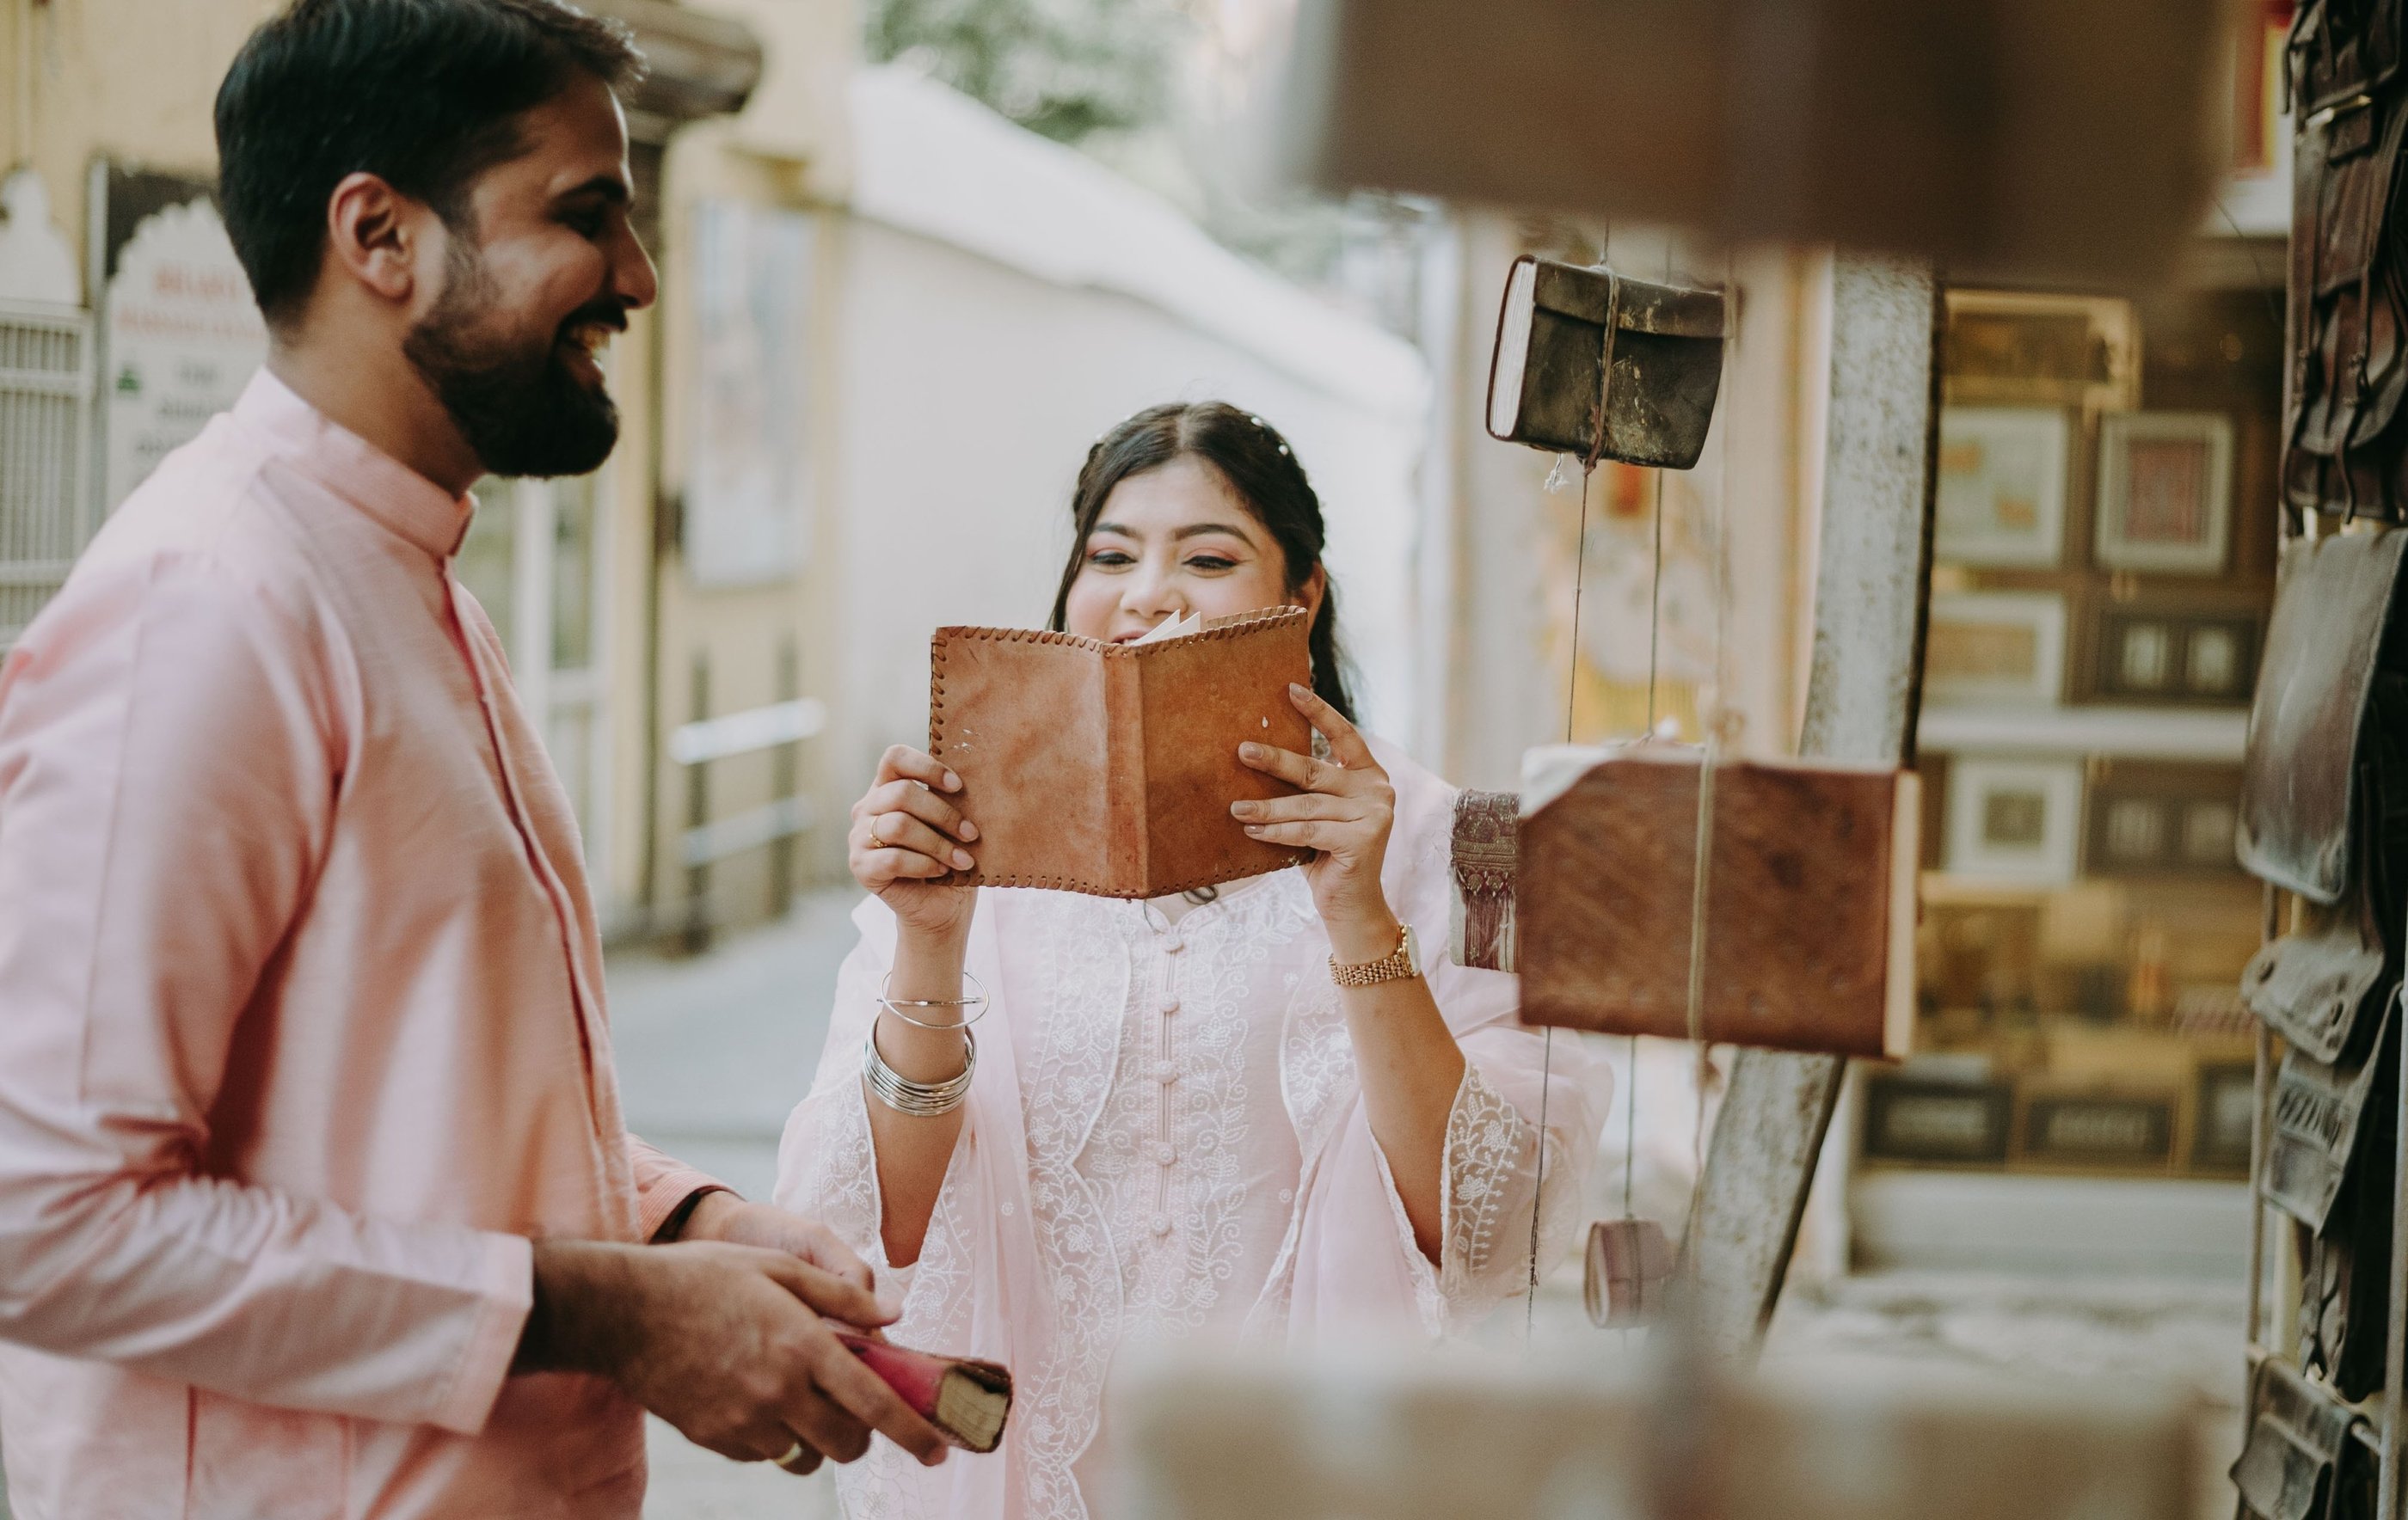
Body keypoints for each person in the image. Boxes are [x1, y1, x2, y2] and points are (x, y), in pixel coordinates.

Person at [0, 3, 948, 1515]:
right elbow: (47, 1224)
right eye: (588, 216)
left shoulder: (411, 583)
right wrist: (606, 1311)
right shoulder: (212, 607)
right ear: (380, 234)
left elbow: (412, 1104)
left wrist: (677, 1226)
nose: (638, 278)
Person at [777, 402, 1610, 1519]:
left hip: (1324, 1476)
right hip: (1028, 1479)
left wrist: (1359, 913)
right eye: (1110, 555)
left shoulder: (1469, 842)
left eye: (1208, 557)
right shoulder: (970, 855)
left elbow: (1490, 1229)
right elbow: (872, 1229)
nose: (1148, 593)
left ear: (1301, 597)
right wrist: (930, 941)